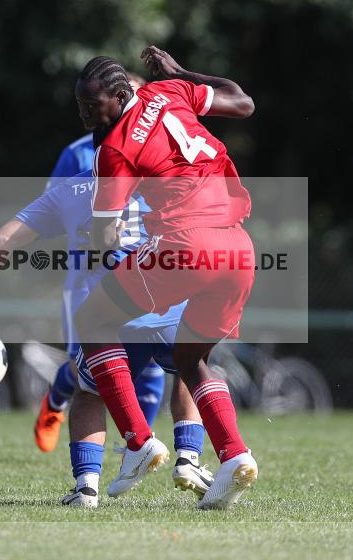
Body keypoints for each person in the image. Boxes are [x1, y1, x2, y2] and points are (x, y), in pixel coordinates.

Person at [0, 170, 213, 508]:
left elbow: (5, 240)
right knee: (190, 371)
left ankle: (87, 488)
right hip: (170, 306)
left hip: (112, 315)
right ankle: (188, 459)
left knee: (90, 394)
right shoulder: (169, 178)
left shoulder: (70, 190)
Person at [71, 47, 258, 509]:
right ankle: (234, 456)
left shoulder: (114, 148)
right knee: (190, 359)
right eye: (80, 106)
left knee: (92, 320)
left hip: (185, 244)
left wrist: (103, 240)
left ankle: (138, 442)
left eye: (93, 107)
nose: (86, 116)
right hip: (238, 248)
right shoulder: (169, 90)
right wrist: (181, 71)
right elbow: (242, 101)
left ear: (120, 95)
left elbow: (103, 233)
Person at [35, 74, 165, 454]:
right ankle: (56, 400)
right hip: (88, 275)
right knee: (85, 366)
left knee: (150, 361)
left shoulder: (157, 148)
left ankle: (135, 448)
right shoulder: (78, 152)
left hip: (141, 268)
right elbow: (52, 210)